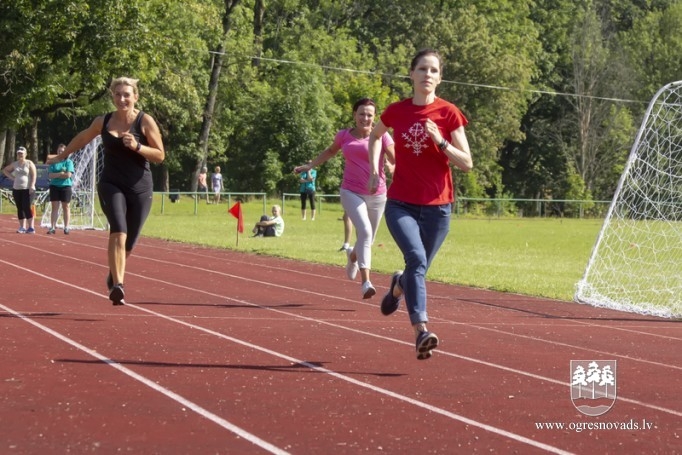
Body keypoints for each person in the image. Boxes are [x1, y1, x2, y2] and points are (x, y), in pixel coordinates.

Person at [368, 49, 473, 360]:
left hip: (438, 208)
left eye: (433, 71)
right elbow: (375, 137)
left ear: (439, 78)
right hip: (401, 203)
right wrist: (376, 170)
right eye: (422, 69)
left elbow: (467, 162)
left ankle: (399, 285)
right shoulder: (396, 111)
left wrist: (440, 141)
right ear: (411, 74)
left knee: (417, 268)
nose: (427, 75)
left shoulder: (449, 113)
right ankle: (421, 331)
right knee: (416, 258)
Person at [47, 77, 165, 305]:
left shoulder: (145, 121)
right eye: (117, 94)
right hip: (111, 184)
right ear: (112, 96)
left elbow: (160, 155)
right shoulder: (104, 121)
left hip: (140, 187)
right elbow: (83, 137)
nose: (122, 99)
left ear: (135, 97)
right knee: (118, 230)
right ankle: (118, 286)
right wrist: (62, 156)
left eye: (126, 94)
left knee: (129, 242)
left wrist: (138, 146)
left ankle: (113, 274)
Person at [295, 98, 395, 299]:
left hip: (377, 194)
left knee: (369, 239)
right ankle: (366, 282)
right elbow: (330, 151)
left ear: (374, 117)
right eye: (361, 114)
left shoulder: (383, 136)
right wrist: (310, 165)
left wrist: (394, 166)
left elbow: (395, 158)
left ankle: (352, 256)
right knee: (365, 232)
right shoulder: (344, 135)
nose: (365, 118)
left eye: (369, 115)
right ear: (354, 115)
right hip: (351, 192)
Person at [2, 146, 37, 234]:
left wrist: (32, 185)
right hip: (17, 188)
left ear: (25, 154)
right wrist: (12, 178)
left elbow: (34, 175)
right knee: (20, 207)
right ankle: (22, 227)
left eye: (21, 153)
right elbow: (5, 170)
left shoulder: (29, 163)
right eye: (18, 153)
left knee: (26, 207)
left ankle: (31, 227)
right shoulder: (15, 164)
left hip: (27, 189)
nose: (20, 155)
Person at [46, 143, 75, 234]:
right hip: (54, 186)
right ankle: (53, 227)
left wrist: (58, 175)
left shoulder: (68, 162)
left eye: (62, 151)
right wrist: (60, 174)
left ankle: (66, 227)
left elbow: (68, 175)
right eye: (59, 151)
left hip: (65, 186)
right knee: (55, 206)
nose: (60, 152)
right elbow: (50, 175)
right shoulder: (54, 161)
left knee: (66, 206)